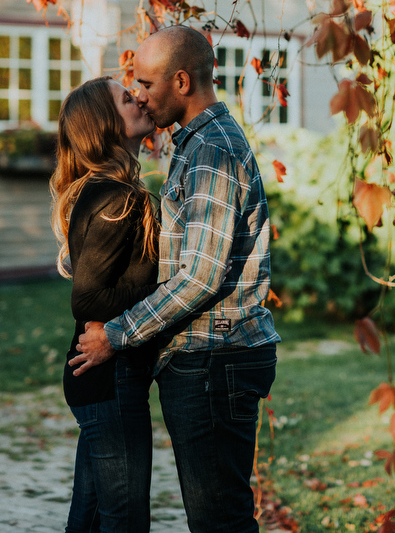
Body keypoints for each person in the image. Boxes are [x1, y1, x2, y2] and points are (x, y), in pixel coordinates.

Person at [69, 26, 280, 533]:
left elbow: (201, 277)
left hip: (214, 358)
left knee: (219, 521)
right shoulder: (191, 145)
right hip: (202, 358)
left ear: (181, 81)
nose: (138, 93)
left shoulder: (213, 150)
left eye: (144, 82)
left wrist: (115, 335)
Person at [51, 77, 160, 533]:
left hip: (101, 381)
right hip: (108, 383)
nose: (138, 99)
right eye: (126, 98)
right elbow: (89, 298)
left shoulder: (106, 191)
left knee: (92, 515)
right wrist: (161, 287)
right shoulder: (117, 197)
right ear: (105, 125)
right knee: (124, 519)